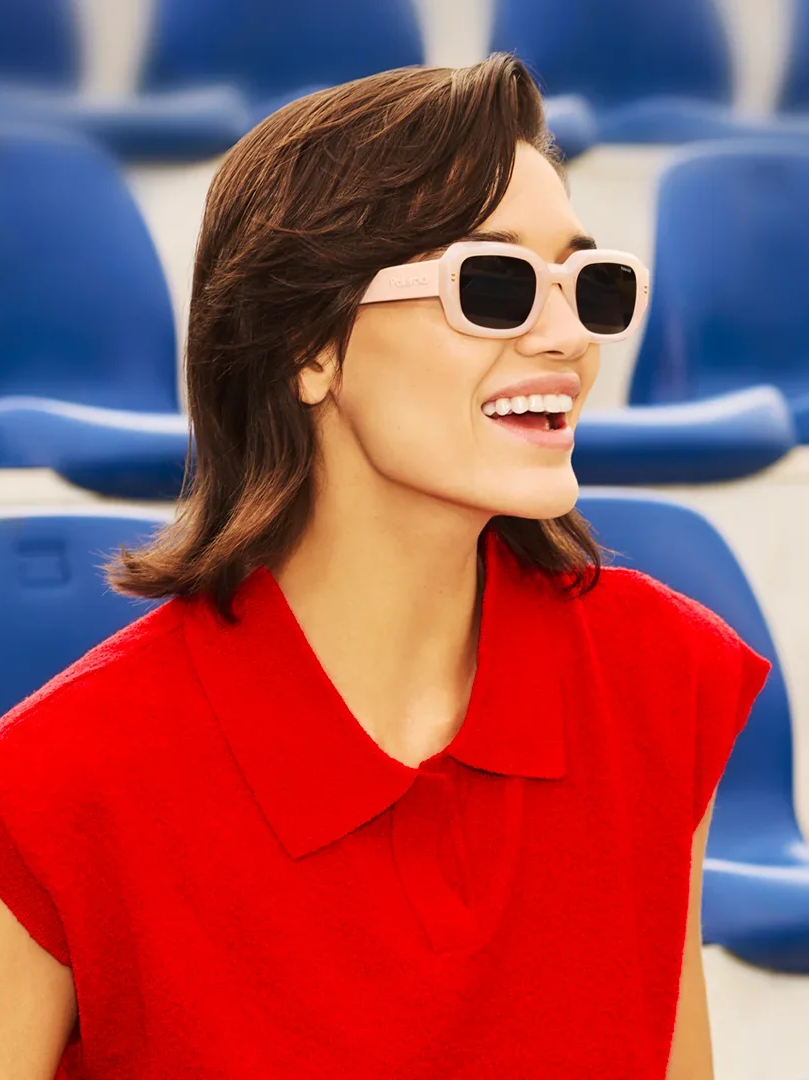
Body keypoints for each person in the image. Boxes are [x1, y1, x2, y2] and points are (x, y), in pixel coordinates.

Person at [0, 55, 769, 1080]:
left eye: (590, 286)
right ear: (305, 347)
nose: (566, 339)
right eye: (491, 286)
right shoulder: (56, 784)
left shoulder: (660, 671)